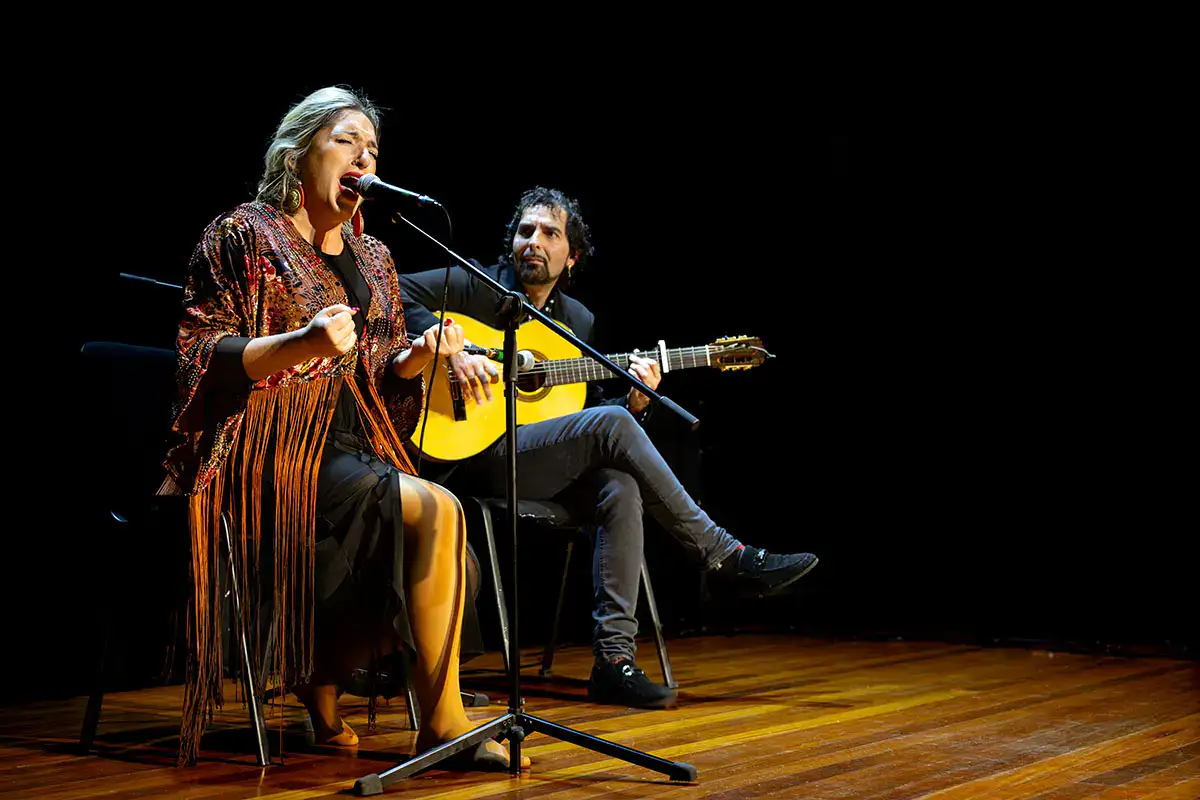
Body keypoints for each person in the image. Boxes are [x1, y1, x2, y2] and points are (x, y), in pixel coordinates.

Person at [161, 86, 527, 771]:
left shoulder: (377, 258)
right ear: (298, 153)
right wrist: (300, 344)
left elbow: (383, 370)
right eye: (347, 141)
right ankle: (442, 724)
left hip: (352, 445)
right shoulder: (244, 233)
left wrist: (419, 357)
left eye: (374, 149)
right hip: (264, 446)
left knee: (443, 536)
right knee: (437, 510)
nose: (365, 157)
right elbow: (200, 354)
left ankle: (320, 676)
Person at [399, 187, 818, 710]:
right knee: (613, 426)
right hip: (471, 458)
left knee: (618, 486)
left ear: (571, 256)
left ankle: (614, 663)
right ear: (511, 243)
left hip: (534, 461)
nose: (535, 242)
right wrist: (445, 339)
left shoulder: (578, 321)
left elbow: (584, 413)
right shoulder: (473, 286)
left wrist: (636, 402)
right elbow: (392, 291)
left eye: (551, 234)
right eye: (526, 231)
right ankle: (723, 556)